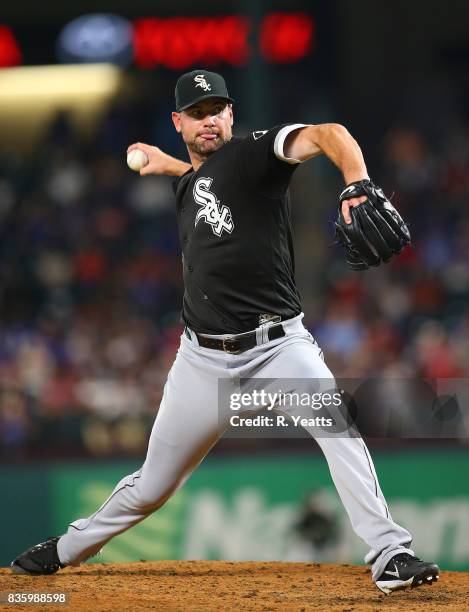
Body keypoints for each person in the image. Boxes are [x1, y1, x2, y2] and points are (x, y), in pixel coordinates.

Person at [11, 69, 439, 594]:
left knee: (339, 431)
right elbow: (196, 177)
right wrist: (163, 164)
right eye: (196, 112)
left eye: (217, 109)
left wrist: (357, 183)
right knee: (151, 486)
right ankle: (65, 550)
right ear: (179, 122)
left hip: (278, 348)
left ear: (231, 115)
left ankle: (390, 552)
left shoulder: (257, 155)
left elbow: (330, 133)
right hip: (201, 359)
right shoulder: (191, 180)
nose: (209, 119)